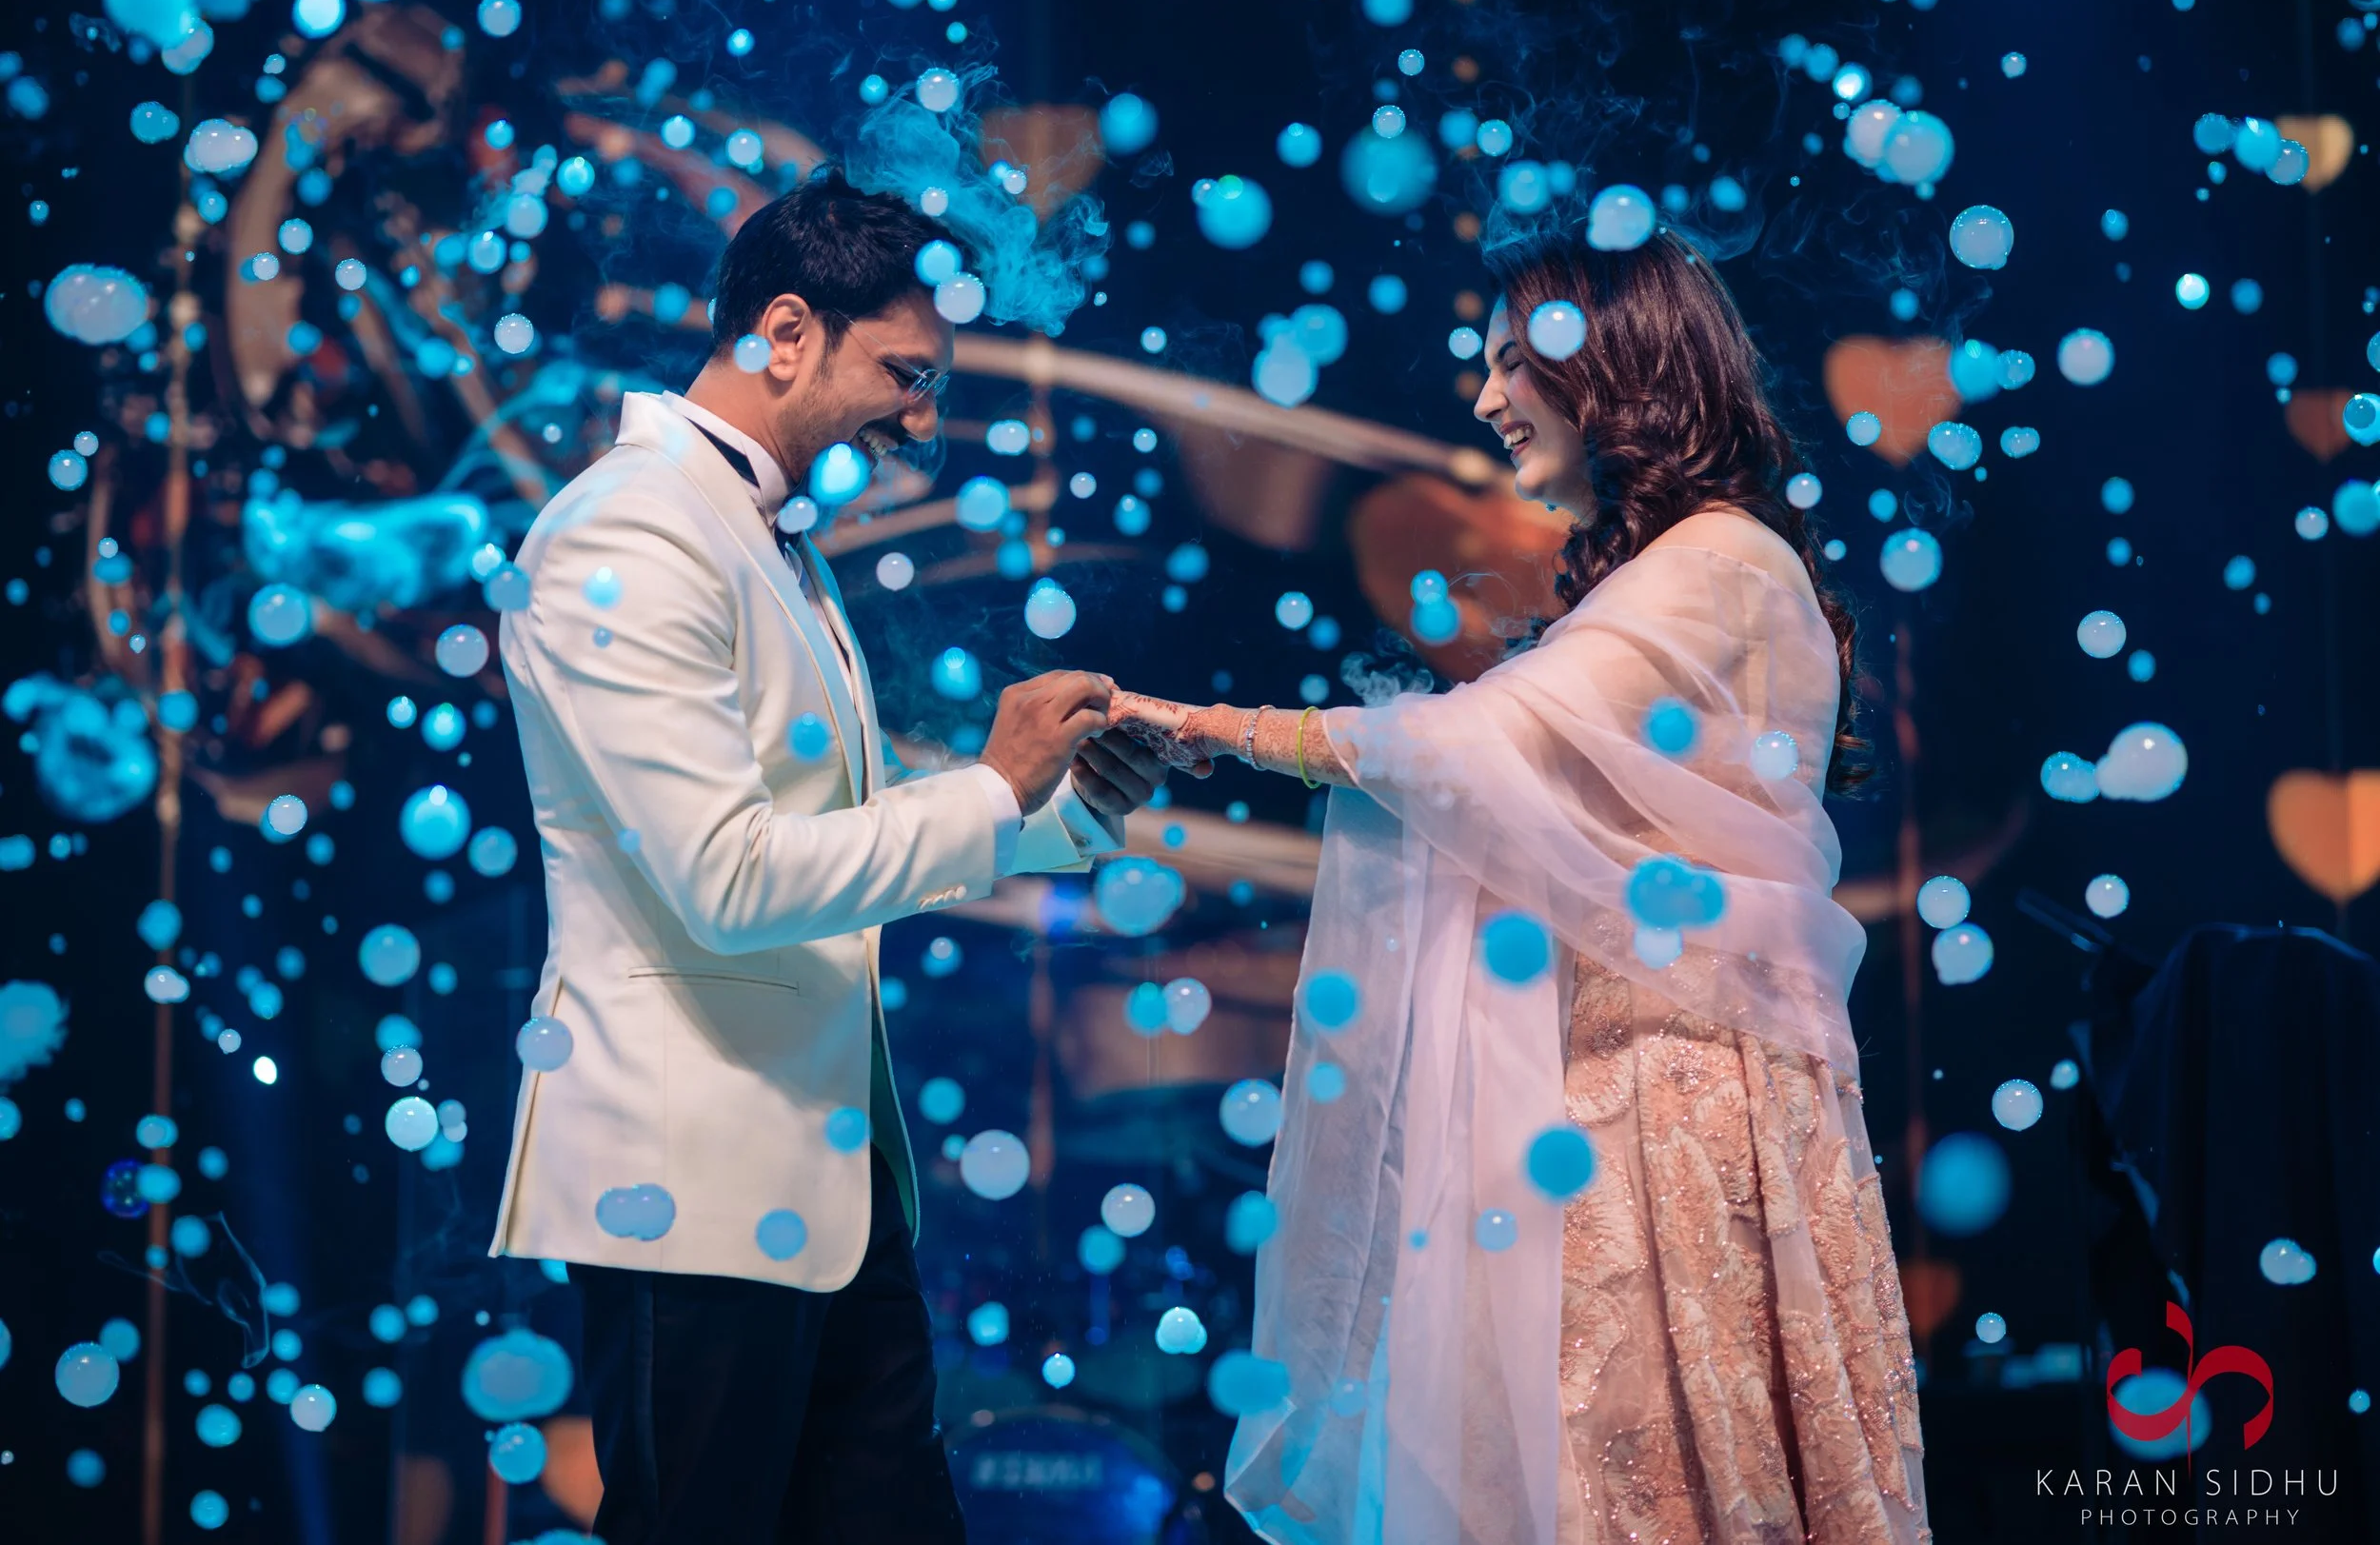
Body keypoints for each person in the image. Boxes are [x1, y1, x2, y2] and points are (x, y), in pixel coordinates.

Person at [1114, 228, 1931, 1544]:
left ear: (1615, 363)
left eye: (1510, 363)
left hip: (1669, 1102)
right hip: (1672, 1083)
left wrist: (1211, 726)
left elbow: (1472, 749)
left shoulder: (1717, 562)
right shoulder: (1700, 567)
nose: (1484, 401)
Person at [489, 170, 1170, 1543]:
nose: (923, 420)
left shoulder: (765, 537)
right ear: (786, 329)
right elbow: (731, 879)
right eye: (907, 374)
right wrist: (988, 785)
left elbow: (829, 844)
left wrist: (1070, 809)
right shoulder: (625, 529)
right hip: (689, 1194)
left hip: (828, 1189)